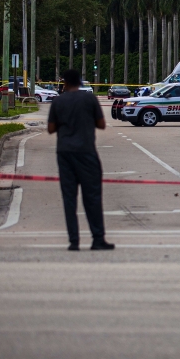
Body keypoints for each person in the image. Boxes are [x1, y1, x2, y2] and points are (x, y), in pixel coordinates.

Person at [47, 69, 114, 251]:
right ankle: (98, 238)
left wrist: (65, 123)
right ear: (80, 82)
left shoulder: (58, 101)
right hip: (86, 152)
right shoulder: (89, 99)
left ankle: (74, 241)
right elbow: (101, 124)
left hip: (65, 153)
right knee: (92, 196)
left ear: (65, 83)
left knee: (69, 198)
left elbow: (51, 128)